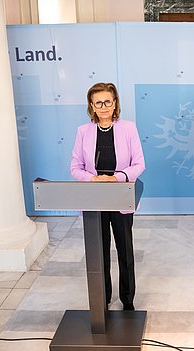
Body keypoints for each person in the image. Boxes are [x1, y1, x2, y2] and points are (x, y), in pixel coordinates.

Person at [70, 82, 145, 311]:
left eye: (107, 102)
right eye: (98, 103)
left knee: (125, 251)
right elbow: (75, 166)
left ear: (115, 104)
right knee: (99, 253)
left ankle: (127, 299)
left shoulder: (128, 128)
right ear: (91, 106)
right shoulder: (84, 131)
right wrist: (92, 179)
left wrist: (116, 178)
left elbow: (139, 164)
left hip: (120, 196)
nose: (103, 107)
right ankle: (103, 298)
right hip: (94, 198)